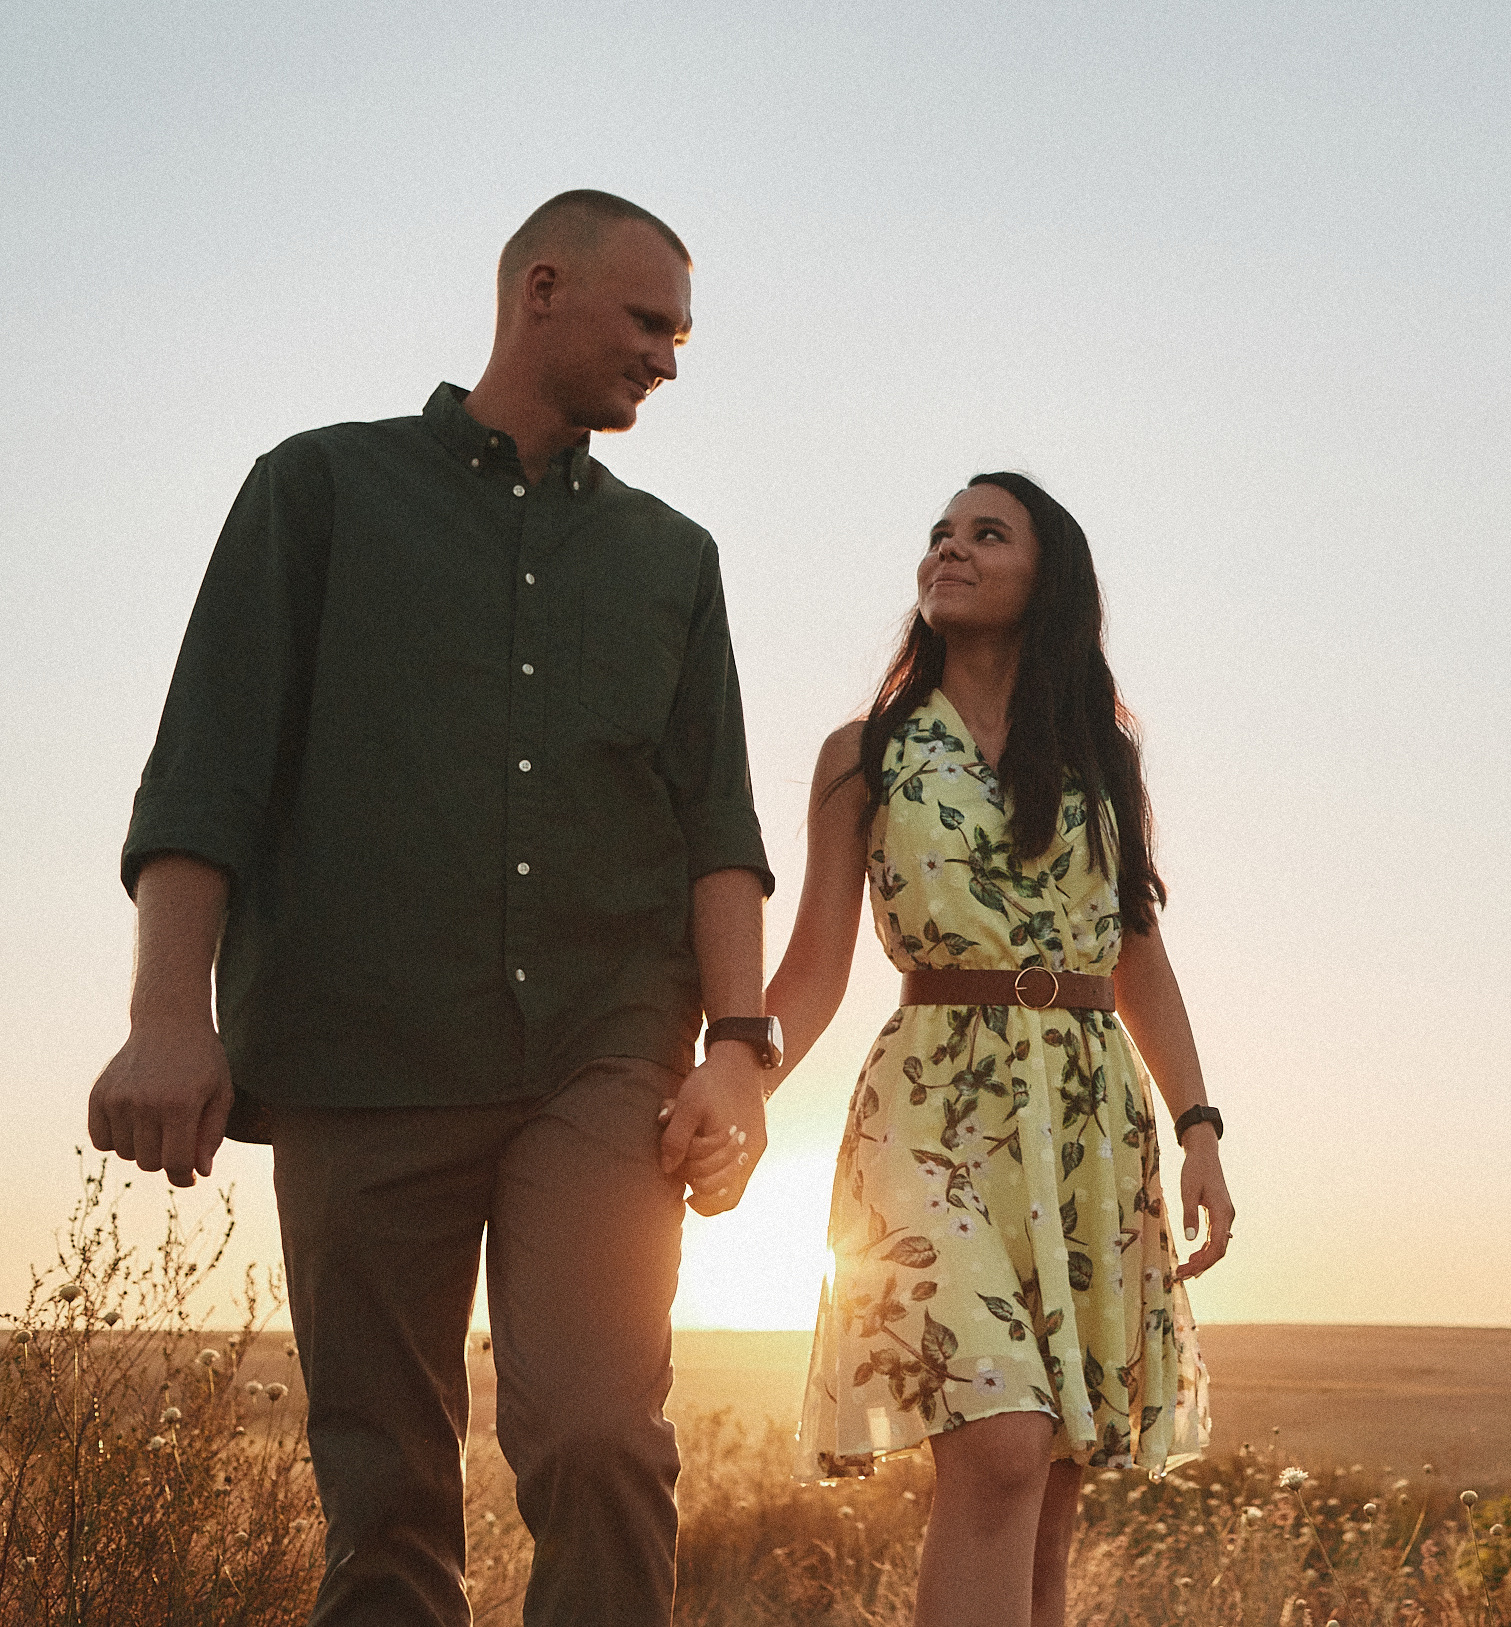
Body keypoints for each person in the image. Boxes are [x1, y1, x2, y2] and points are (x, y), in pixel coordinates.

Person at [89, 189, 780, 1627]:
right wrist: (169, 1016)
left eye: (683, 333)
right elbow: (208, 770)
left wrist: (736, 1047)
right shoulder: (318, 490)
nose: (669, 358)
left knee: (600, 1431)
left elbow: (721, 828)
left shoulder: (675, 561)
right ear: (542, 287)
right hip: (358, 1048)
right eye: (649, 322)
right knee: (390, 1496)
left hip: (600, 1055)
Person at [764, 472, 1233, 1627]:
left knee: (1051, 1490)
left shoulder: (1097, 758)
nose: (949, 549)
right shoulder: (862, 754)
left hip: (1083, 1119)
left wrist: (1200, 1127)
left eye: (986, 533)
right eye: (939, 534)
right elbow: (817, 964)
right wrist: (737, 1077)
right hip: (927, 1109)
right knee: (1003, 1443)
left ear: (1047, 578)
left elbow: (1142, 961)